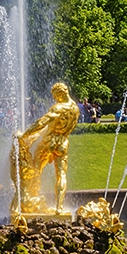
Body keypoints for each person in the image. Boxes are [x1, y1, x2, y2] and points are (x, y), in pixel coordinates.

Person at [12, 82, 80, 215]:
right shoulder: (75, 109)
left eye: (55, 96)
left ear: (60, 94)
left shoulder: (58, 108)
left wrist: (25, 134)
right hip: (63, 142)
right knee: (61, 174)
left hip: (50, 141)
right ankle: (59, 208)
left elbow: (42, 122)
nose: (55, 99)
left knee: (36, 168)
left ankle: (30, 197)